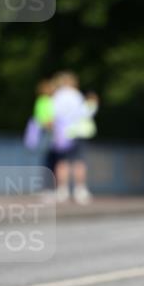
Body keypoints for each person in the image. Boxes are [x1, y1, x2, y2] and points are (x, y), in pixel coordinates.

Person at [51, 72, 98, 204]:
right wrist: (93, 103)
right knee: (79, 162)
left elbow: (54, 114)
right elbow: (85, 113)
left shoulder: (58, 96)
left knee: (62, 163)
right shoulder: (76, 95)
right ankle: (80, 191)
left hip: (63, 133)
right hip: (79, 132)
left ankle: (62, 191)